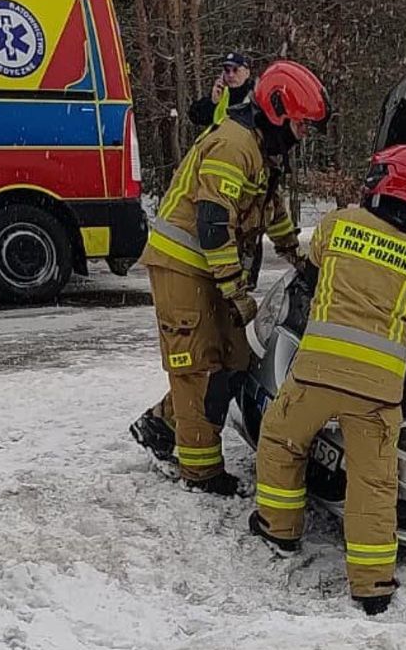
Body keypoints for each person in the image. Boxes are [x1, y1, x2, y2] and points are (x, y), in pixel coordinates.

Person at [250, 144, 406, 614]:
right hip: (378, 392)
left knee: (282, 441)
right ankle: (372, 586)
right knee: (373, 485)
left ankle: (279, 529)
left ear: (385, 181)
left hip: (316, 374)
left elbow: (307, 279)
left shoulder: (337, 224)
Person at [131, 60, 331, 494]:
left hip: (208, 266)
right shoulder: (233, 145)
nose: (302, 135)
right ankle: (200, 472)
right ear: (278, 113)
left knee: (235, 360)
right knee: (198, 368)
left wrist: (295, 254)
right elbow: (212, 223)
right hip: (183, 264)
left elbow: (270, 206)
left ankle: (161, 425)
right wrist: (234, 289)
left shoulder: (259, 149)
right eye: (301, 125)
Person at [187, 52, 254, 129]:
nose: (231, 75)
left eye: (236, 70)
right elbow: (195, 116)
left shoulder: (255, 95)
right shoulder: (221, 93)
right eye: (227, 70)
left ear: (247, 73)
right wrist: (212, 102)